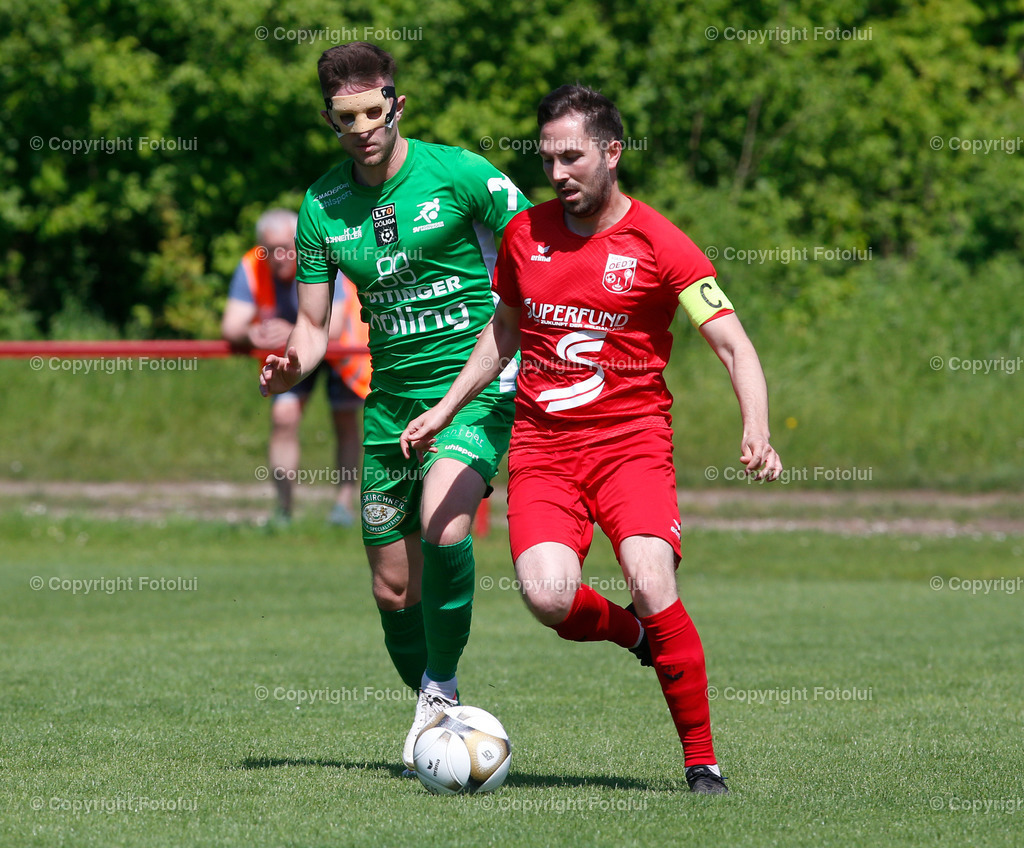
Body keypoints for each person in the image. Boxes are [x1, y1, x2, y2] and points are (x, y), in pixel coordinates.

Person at [401, 84, 783, 794]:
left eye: (572, 157)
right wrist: (449, 408)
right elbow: (504, 332)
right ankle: (638, 638)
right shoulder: (525, 236)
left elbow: (733, 344)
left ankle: (703, 763)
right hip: (544, 451)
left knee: (649, 576)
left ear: (612, 152)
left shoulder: (659, 242)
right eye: (548, 159)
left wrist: (755, 427)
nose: (557, 173)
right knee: (548, 597)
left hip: (630, 446)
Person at [257, 43, 529, 770]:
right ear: (331, 120)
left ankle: (440, 688)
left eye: (376, 110)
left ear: (396, 104)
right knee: (391, 587)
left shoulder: (460, 173)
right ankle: (436, 706)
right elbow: (314, 328)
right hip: (390, 406)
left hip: (474, 389)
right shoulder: (321, 206)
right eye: (348, 117)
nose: (365, 127)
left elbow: (540, 250)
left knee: (445, 523)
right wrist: (291, 362)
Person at [222, 208, 369, 525]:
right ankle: (283, 511)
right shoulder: (251, 266)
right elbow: (231, 326)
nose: (280, 255)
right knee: (283, 416)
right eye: (271, 249)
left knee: (345, 420)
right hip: (292, 353)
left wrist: (286, 330)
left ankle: (342, 508)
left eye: (287, 246)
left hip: (341, 350)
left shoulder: (323, 253)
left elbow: (335, 326)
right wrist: (253, 333)